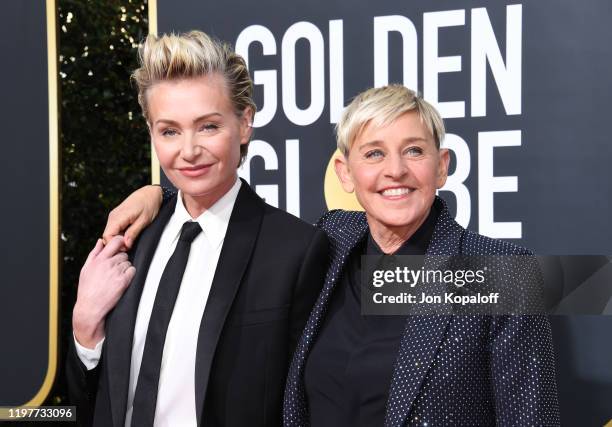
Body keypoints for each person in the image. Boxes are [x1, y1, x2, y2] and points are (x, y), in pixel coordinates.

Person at [104, 85, 560, 426]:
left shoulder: (499, 273)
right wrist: (158, 195)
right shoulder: (332, 241)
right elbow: (234, 208)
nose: (394, 171)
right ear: (346, 173)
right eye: (374, 153)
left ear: (441, 167)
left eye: (414, 151)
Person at [66, 31, 329, 427]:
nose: (188, 151)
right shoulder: (131, 238)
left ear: (244, 123)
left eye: (207, 126)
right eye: (169, 131)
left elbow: (310, 403)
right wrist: (85, 332)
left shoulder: (296, 249)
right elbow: (86, 402)